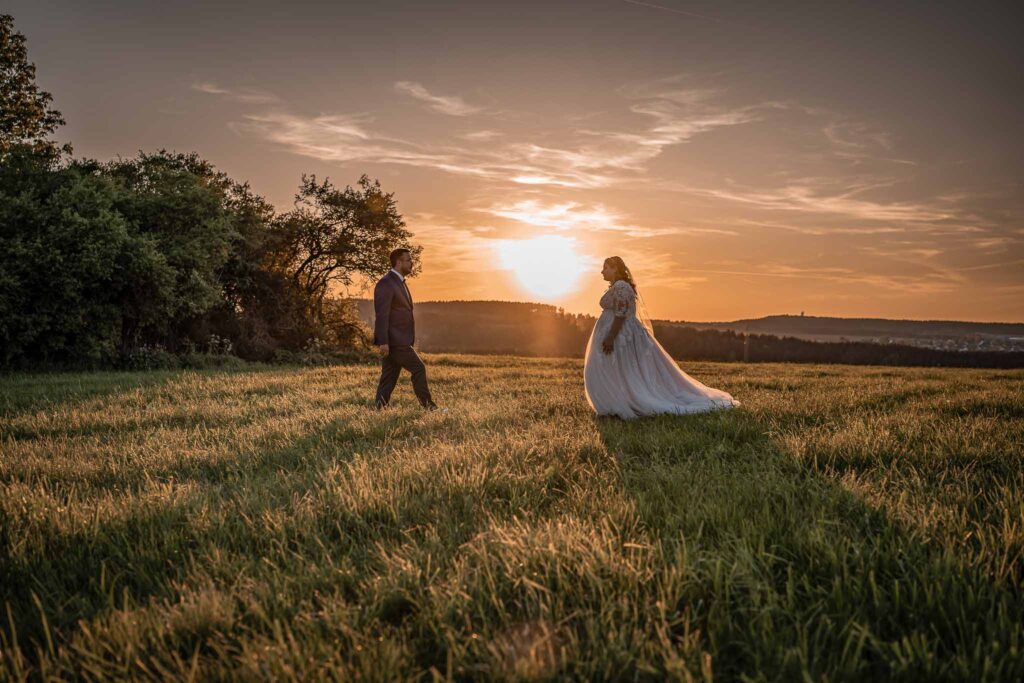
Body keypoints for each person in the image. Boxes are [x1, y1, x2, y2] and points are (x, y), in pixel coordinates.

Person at [584, 256, 738, 419]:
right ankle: (616, 402)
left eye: (605, 267)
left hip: (621, 335)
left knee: (623, 369)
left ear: (615, 268)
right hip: (619, 332)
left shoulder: (621, 286)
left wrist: (611, 337)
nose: (602, 271)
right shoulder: (618, 286)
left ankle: (623, 402)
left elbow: (621, 314)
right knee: (619, 369)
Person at [373, 248, 441, 411]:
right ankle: (429, 407)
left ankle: (379, 409)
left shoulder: (399, 282)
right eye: (408, 260)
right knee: (418, 368)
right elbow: (382, 314)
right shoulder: (386, 283)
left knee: (388, 377)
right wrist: (383, 341)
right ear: (398, 262)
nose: (412, 263)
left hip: (398, 339)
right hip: (395, 340)